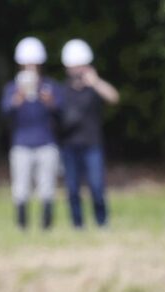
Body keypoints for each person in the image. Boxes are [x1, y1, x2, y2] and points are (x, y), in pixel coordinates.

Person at [1, 37, 64, 230]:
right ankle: (22, 224)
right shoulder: (12, 88)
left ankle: (46, 224)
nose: (30, 67)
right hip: (21, 144)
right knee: (20, 188)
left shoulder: (50, 86)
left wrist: (50, 102)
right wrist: (16, 100)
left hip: (46, 142)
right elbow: (4, 112)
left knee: (47, 187)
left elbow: (62, 111)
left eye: (34, 63)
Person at [59, 39, 120, 228]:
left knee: (96, 187)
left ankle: (102, 222)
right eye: (74, 67)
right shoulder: (62, 91)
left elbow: (114, 97)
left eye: (81, 66)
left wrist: (96, 82)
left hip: (92, 145)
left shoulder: (95, 89)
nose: (78, 71)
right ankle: (77, 224)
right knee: (73, 189)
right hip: (69, 146)